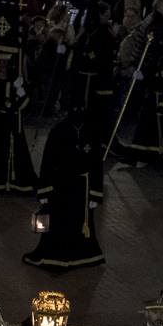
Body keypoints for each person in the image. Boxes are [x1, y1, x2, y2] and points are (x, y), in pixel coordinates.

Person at [22, 111, 104, 272]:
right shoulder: (58, 131)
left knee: (80, 222)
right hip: (61, 187)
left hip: (83, 187)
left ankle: (80, 255)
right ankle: (58, 255)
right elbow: (48, 162)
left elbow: (97, 165)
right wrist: (44, 191)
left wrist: (95, 193)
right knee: (60, 221)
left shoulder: (92, 132)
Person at [0, 77, 37, 195]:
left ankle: (15, 183)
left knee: (17, 152)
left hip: (12, 122)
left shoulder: (18, 84)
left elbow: (24, 105)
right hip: (1, 123)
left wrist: (20, 91)